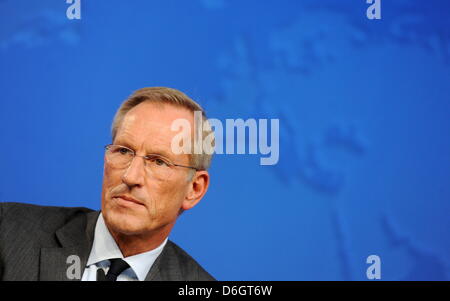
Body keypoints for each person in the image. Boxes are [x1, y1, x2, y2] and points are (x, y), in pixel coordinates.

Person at [0, 87, 215, 281]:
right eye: (123, 151)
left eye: (159, 162)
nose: (131, 177)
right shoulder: (8, 231)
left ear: (194, 189)